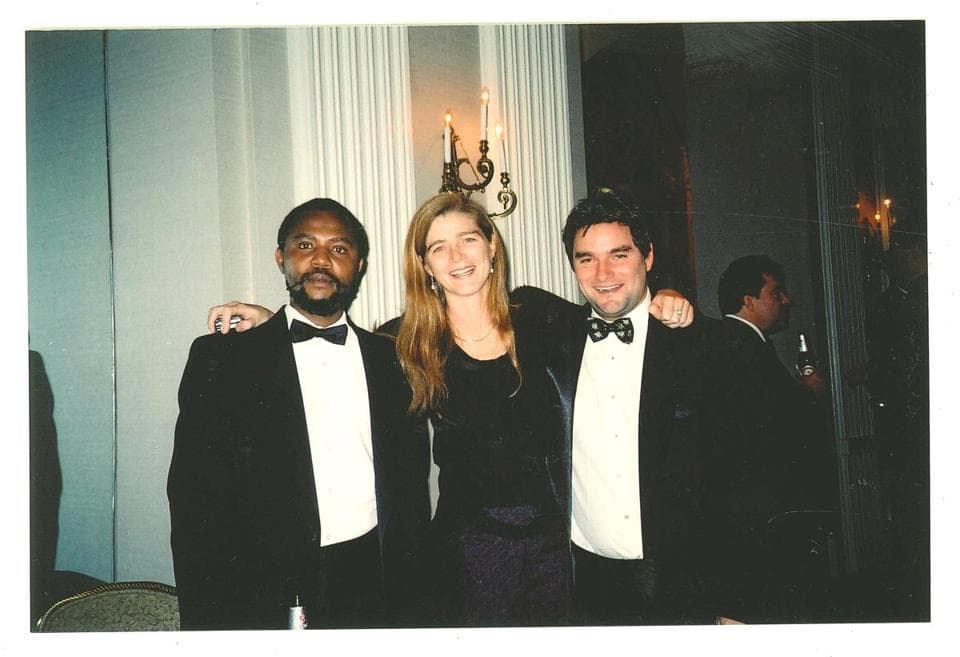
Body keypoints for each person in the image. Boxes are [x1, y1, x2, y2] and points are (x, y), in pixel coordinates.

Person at [206, 192, 694, 626]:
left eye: (468, 240)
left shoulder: (544, 318)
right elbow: (325, 354)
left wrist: (664, 297)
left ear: (492, 247)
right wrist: (270, 322)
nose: (457, 257)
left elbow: (612, 313)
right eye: (438, 247)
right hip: (468, 557)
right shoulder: (403, 343)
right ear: (425, 265)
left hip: (556, 550)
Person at [168, 198, 431, 630]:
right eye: (305, 245)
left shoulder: (394, 360)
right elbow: (194, 504)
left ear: (359, 264)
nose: (322, 260)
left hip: (374, 578)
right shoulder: (223, 360)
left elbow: (410, 491)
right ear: (281, 258)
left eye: (340, 249)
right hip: (265, 586)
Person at [519, 188, 712, 625]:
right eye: (586, 258)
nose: (603, 273)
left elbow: (742, 479)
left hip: (681, 581)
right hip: (583, 580)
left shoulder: (697, 344)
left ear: (648, 257)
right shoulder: (551, 336)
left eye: (619, 254)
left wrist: (735, 602)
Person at [702, 254, 835, 623]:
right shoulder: (744, 345)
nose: (786, 300)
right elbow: (774, 423)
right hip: (756, 510)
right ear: (749, 300)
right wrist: (808, 392)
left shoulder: (734, 342)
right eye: (776, 293)